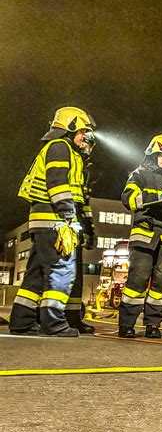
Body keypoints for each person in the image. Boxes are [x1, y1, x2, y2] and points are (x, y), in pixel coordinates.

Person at [9, 107, 95, 337]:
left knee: (36, 273)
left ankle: (22, 321)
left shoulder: (64, 150)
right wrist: (68, 216)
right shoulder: (60, 148)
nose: (84, 136)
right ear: (69, 128)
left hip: (44, 220)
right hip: (54, 220)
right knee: (62, 271)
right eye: (82, 131)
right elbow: (57, 184)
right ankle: (53, 323)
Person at [119, 133, 162, 339]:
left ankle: (153, 325)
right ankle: (127, 324)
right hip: (145, 234)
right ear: (152, 152)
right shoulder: (139, 175)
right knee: (137, 280)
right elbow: (128, 198)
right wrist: (155, 197)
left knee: (161, 283)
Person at [65, 131, 97, 334]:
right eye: (85, 142)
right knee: (60, 273)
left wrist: (89, 229)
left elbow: (83, 204)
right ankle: (43, 316)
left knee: (75, 274)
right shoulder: (66, 157)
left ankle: (73, 318)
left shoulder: (83, 169)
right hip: (62, 223)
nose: (87, 148)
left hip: (75, 224)